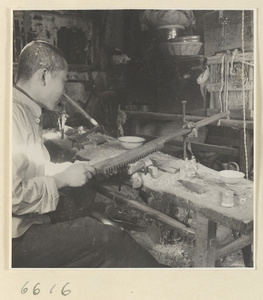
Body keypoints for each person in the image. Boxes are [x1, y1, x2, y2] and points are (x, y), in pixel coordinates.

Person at [12, 40, 164, 268]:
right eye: (63, 80)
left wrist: (68, 171)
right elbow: (10, 198)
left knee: (81, 206)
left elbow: (32, 169)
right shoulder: (11, 117)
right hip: (12, 242)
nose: (64, 92)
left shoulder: (24, 109)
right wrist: (63, 179)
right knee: (111, 240)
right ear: (43, 76)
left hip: (20, 226)